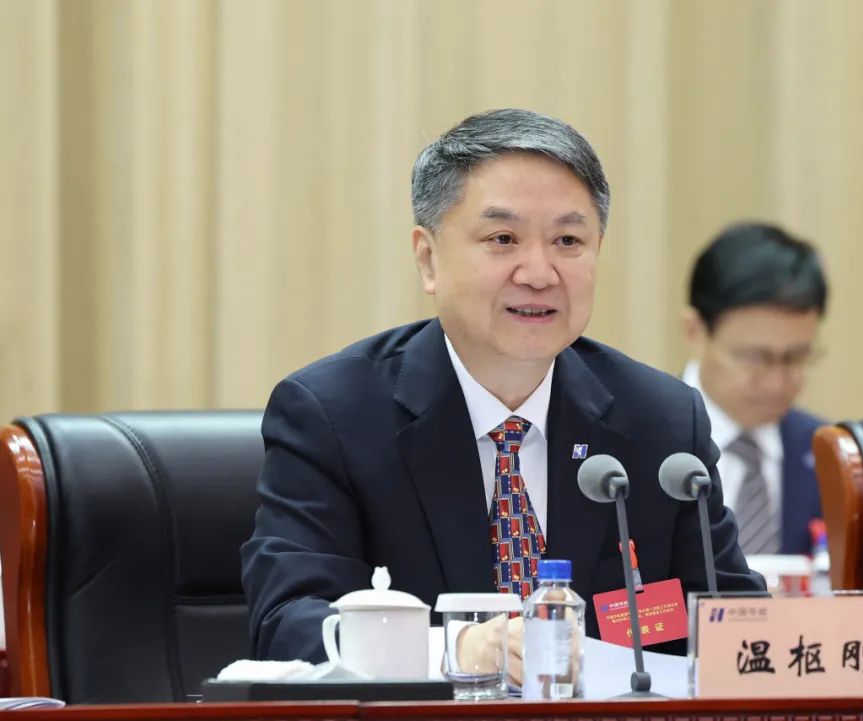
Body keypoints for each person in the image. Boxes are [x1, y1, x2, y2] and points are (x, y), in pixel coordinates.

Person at [241, 109, 763, 677]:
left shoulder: (662, 421)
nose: (539, 273)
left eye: (568, 240)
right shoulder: (333, 415)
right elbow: (288, 628)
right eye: (503, 239)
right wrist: (458, 651)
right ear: (428, 259)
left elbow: (736, 627)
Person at [682, 222, 828, 556]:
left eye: (796, 357)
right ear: (695, 332)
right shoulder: (641, 438)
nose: (777, 382)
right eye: (755, 358)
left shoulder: (829, 456)